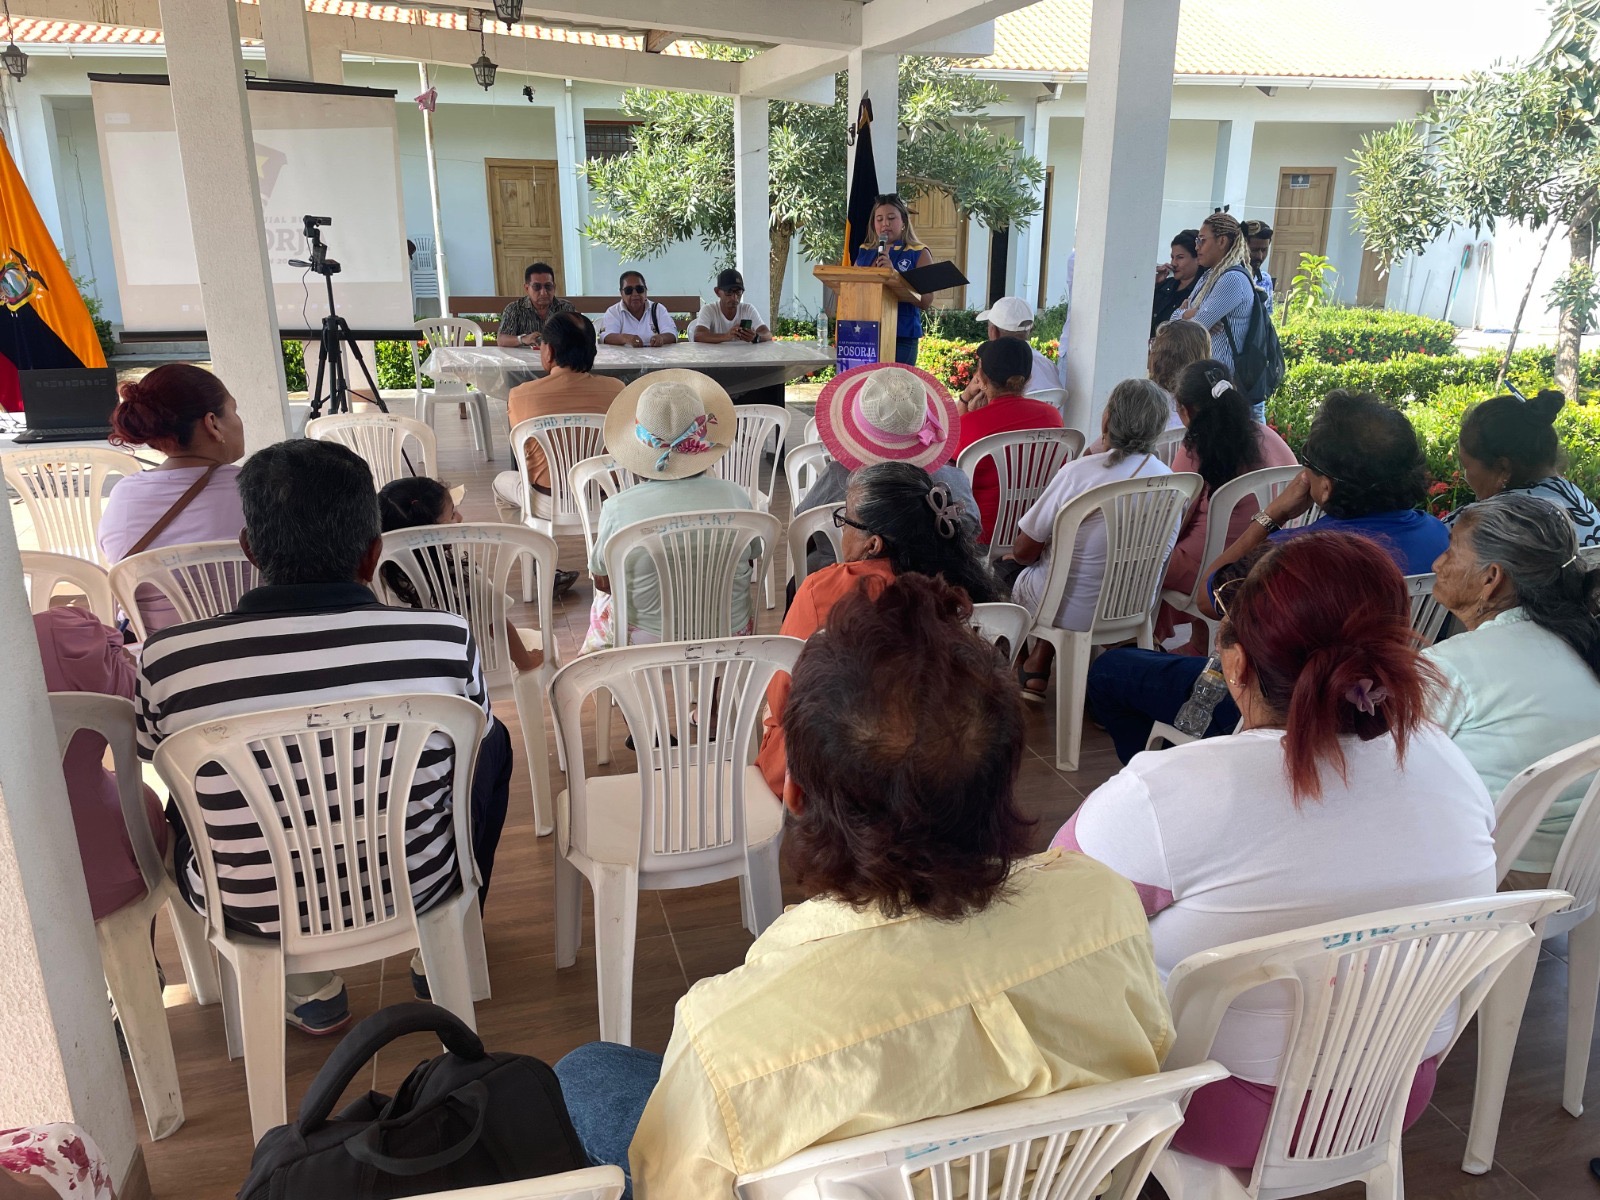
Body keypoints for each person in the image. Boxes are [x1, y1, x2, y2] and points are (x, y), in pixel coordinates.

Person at [555, 576, 1173, 1199]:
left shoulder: (729, 1043)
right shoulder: (1107, 909)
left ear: (795, 794)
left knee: (582, 1073)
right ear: (1001, 781)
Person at [1056, 531, 1496, 1171]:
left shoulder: (1167, 792)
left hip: (1222, 1115)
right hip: (1396, 1094)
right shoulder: (1447, 764)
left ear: (1236, 665)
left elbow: (1054, 919)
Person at [134, 439, 505, 1036]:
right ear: (374, 552)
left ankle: (307, 988)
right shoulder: (443, 637)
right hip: (420, 884)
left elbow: (154, 758)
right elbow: (471, 749)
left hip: (254, 909)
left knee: (186, 783)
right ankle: (436, 949)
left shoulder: (170, 660)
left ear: (249, 549)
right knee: (491, 740)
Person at [1086, 389, 1450, 762]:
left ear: (1325, 486)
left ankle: (1170, 768)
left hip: (1273, 709)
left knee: (1110, 671)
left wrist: (1272, 515)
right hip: (1370, 711)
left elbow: (1209, 600)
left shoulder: (1295, 552)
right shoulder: (1441, 539)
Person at [756, 462, 1003, 793]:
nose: (841, 530)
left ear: (872, 544)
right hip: (938, 774)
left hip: (838, 773)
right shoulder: (963, 589)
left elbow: (783, 698)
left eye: (845, 520)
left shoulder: (822, 590)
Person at [1425, 493, 1600, 886]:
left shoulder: (1452, 665)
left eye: (1451, 550)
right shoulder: (1582, 641)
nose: (1437, 563)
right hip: (1586, 876)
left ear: (1492, 578)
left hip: (1504, 878)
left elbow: (1385, 768)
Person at [1007, 378, 1174, 698]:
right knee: (1069, 567)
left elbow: (1024, 551)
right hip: (1132, 606)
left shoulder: (1078, 473)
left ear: (1107, 420)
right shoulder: (1171, 481)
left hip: (1068, 611)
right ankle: (1048, 664)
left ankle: (1026, 668)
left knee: (1006, 569)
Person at [582, 372, 754, 650]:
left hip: (648, 643)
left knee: (603, 604)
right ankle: (715, 681)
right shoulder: (737, 497)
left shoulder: (617, 508)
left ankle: (612, 678)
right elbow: (751, 558)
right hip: (730, 635)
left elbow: (603, 580)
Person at [34, 606, 169, 923]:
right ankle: (143, 949)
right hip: (104, 868)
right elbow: (146, 709)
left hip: (13, 892)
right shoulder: (63, 633)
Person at [1156, 360, 1298, 648]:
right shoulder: (1269, 437)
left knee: (1143, 560)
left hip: (1210, 571)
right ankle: (1198, 643)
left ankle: (1139, 645)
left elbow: (1171, 523)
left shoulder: (1196, 448)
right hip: (1264, 562)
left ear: (1185, 410)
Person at [100, 363, 248, 633]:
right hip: (254, 641)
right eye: (234, 411)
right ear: (212, 423)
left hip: (162, 649)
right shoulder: (260, 489)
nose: (239, 421)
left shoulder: (124, 496)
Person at [797, 362, 979, 578]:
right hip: (933, 587)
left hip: (838, 581)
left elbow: (803, 524)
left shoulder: (835, 477)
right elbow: (971, 529)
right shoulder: (953, 483)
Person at [500, 310, 624, 595]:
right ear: (592, 350)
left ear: (549, 351)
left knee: (501, 486)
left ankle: (537, 563)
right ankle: (605, 566)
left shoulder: (520, 394)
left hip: (546, 502)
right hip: (603, 498)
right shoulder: (617, 390)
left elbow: (525, 454)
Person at [1447, 388, 1600, 546]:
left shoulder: (1474, 524)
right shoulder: (1578, 500)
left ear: (1503, 468)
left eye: (1466, 466)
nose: (1465, 476)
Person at [951, 336, 1066, 544]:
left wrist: (966, 398)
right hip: (1034, 535)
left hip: (981, 536)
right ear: (1028, 378)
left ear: (982, 379)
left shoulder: (970, 424)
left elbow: (948, 467)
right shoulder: (1052, 417)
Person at [1172, 213, 1257, 399]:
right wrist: (1186, 315)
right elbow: (1178, 323)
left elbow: (1192, 331)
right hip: (1207, 380)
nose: (1197, 247)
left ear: (1222, 241)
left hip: (1221, 385)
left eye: (1202, 240)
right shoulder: (1209, 276)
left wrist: (1186, 315)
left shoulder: (1232, 279)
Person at [851, 194, 934, 365]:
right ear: (873, 224)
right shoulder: (865, 251)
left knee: (894, 383)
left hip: (901, 337)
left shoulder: (918, 252)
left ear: (903, 222)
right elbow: (851, 288)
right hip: (864, 333)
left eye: (891, 218)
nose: (885, 224)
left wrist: (894, 275)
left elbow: (926, 300)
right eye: (879, 219)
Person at [959, 296, 1060, 406]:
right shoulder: (1049, 365)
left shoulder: (992, 368)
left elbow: (973, 410)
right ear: (1031, 330)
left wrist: (965, 397)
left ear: (994, 332)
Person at [495, 261, 575, 348]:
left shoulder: (566, 309)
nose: (543, 293)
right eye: (537, 287)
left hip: (557, 355)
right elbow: (501, 340)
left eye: (548, 286)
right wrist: (523, 339)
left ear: (554, 287)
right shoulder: (515, 309)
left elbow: (578, 336)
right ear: (527, 288)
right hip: (524, 356)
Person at [687, 268, 771, 343]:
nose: (734, 298)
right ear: (717, 292)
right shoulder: (709, 310)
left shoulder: (748, 309)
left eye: (738, 292)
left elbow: (767, 334)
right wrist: (726, 336)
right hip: (715, 355)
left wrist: (756, 337)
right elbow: (698, 336)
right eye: (729, 292)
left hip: (744, 355)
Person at [601, 272, 678, 348]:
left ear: (645, 291)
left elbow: (672, 334)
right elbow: (606, 336)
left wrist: (661, 338)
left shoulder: (658, 309)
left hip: (655, 356)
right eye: (628, 290)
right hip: (624, 356)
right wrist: (626, 338)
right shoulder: (613, 312)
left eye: (639, 289)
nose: (635, 294)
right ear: (621, 293)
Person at [1151, 229, 1201, 336]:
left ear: (1197, 258)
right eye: (1172, 257)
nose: (1174, 263)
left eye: (1180, 258)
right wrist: (1154, 283)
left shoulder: (1200, 291)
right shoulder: (1165, 284)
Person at [1241, 218, 1275, 302]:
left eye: (1264, 250)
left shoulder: (1265, 279)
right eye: (1254, 250)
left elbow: (1267, 309)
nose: (1260, 256)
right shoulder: (1231, 277)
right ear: (1241, 247)